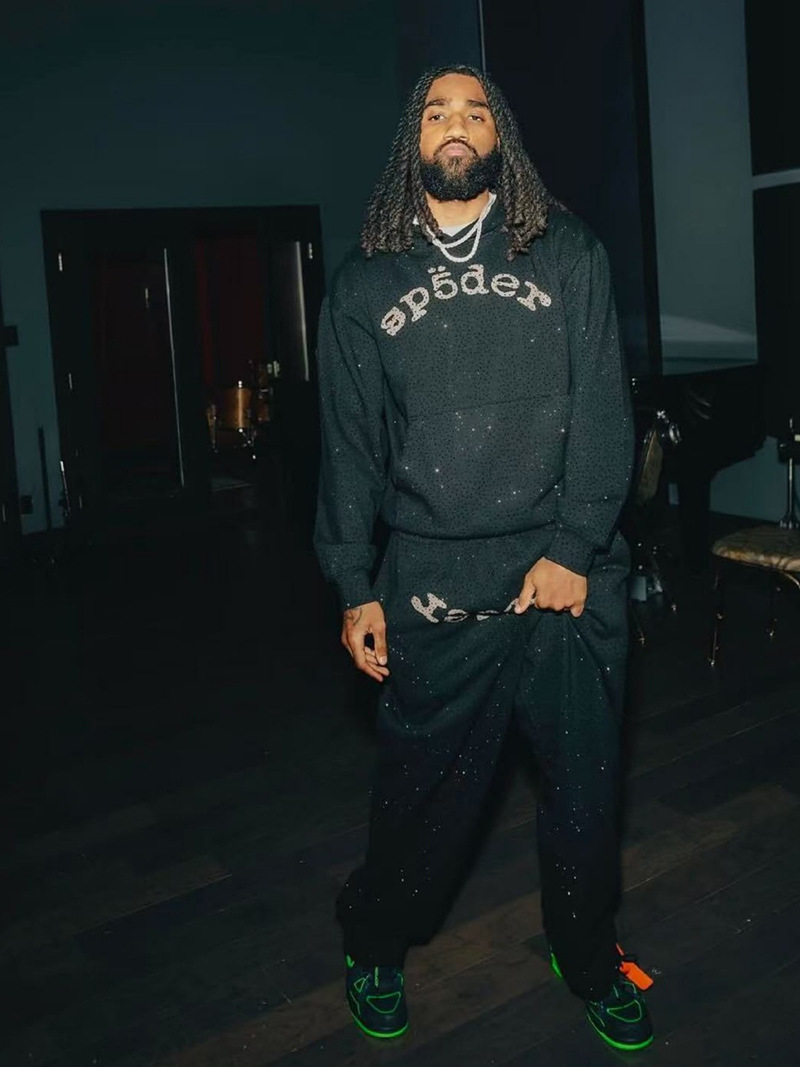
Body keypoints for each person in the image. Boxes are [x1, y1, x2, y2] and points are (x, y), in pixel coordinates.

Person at [312, 63, 654, 1053]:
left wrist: (574, 546)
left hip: (564, 576)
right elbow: (349, 447)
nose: (455, 125)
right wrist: (352, 582)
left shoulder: (566, 251)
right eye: (436, 112)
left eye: (474, 111)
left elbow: (605, 408)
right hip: (434, 581)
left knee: (585, 791)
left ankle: (586, 953)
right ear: (410, 142)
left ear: (500, 135)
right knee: (423, 794)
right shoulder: (365, 281)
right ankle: (373, 941)